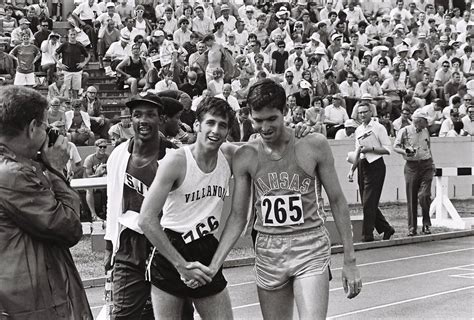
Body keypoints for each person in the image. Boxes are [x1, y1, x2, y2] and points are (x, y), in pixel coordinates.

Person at [204, 79, 362, 320]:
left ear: (285, 112)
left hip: (310, 245)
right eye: (258, 121)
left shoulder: (313, 144)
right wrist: (215, 263)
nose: (264, 127)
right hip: (268, 249)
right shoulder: (246, 155)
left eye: (271, 119)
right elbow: (237, 216)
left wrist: (350, 261)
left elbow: (338, 201)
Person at [138, 97, 236, 319]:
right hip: (171, 248)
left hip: (206, 247)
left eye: (222, 125)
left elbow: (266, 147)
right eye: (210, 123)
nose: (216, 130)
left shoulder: (230, 157)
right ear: (197, 125)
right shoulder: (177, 161)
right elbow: (146, 219)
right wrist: (181, 266)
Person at [0, 86, 92, 319]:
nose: (49, 134)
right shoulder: (13, 175)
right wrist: (57, 170)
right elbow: (68, 227)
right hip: (32, 306)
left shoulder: (16, 168)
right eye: (45, 126)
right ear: (32, 128)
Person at [104, 93, 193, 320]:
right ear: (130, 120)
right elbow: (113, 201)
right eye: (137, 115)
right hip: (129, 245)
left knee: (178, 314)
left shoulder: (174, 156)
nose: (143, 120)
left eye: (150, 115)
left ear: (161, 119)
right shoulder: (118, 155)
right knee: (123, 314)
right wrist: (109, 246)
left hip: (165, 244)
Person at [350, 104, 395, 242]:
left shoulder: (378, 128)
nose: (362, 115)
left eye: (365, 112)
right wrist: (352, 169)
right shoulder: (358, 130)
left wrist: (371, 148)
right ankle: (386, 228)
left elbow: (388, 149)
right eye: (360, 113)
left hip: (375, 164)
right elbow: (358, 151)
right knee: (366, 202)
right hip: (363, 164)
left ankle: (367, 235)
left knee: (369, 201)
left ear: (371, 112)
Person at [393, 109, 435, 236]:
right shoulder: (405, 131)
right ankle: (412, 227)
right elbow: (395, 146)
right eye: (425, 121)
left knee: (424, 195)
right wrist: (405, 151)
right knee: (411, 197)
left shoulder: (426, 131)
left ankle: (426, 223)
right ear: (418, 121)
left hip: (426, 164)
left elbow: (428, 147)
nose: (427, 124)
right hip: (411, 166)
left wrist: (432, 162)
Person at [55, 28, 90, 99]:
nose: (73, 36)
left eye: (74, 34)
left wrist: (83, 63)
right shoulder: (64, 45)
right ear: (68, 35)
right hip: (66, 71)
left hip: (77, 71)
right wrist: (60, 64)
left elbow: (87, 55)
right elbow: (54, 54)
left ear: (76, 35)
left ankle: (75, 106)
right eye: (71, 34)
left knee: (75, 91)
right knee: (66, 91)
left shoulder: (79, 45)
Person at [84, 138, 109, 221]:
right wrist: (98, 174)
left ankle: (108, 212)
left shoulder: (108, 157)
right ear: (96, 147)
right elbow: (87, 177)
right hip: (92, 180)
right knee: (89, 189)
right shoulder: (90, 159)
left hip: (104, 181)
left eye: (104, 147)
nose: (102, 149)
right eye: (100, 147)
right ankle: (93, 214)